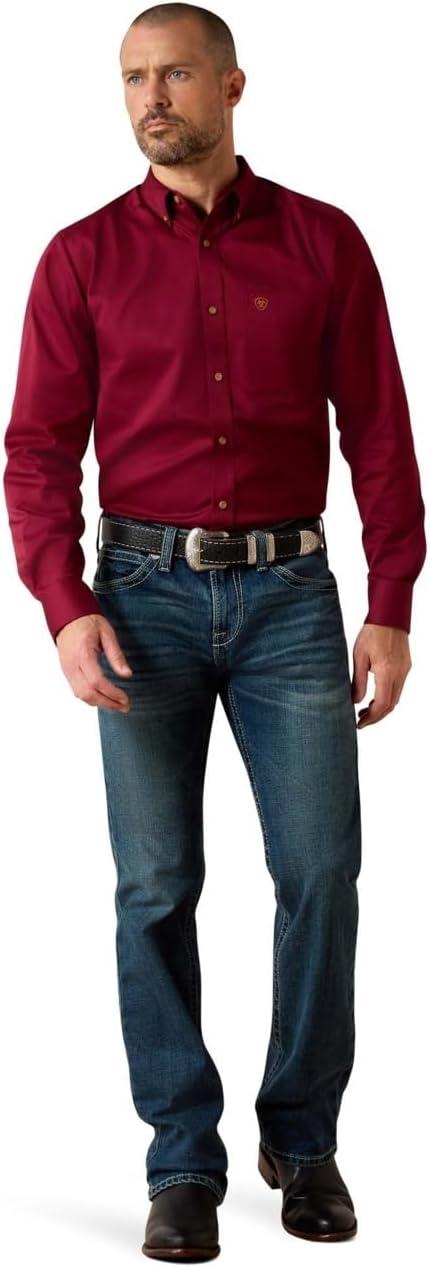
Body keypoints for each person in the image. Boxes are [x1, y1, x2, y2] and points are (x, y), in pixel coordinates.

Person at [3, 2, 426, 1260]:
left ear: (233, 87)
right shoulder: (79, 258)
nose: (152, 96)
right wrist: (65, 605)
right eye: (134, 76)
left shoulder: (324, 241)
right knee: (154, 885)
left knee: (320, 872)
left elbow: (380, 431)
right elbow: (36, 453)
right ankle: (182, 1157)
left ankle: (302, 1138)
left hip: (294, 595)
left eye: (176, 72)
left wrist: (390, 602)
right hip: (139, 600)